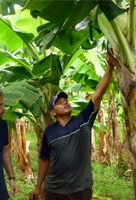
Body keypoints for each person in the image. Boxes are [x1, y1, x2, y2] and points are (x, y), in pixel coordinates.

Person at [29, 56, 115, 200]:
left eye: (66, 100)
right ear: (53, 112)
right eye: (59, 102)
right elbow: (44, 160)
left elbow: (98, 94)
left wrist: (110, 67)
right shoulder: (50, 131)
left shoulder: (83, 120)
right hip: (54, 190)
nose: (65, 103)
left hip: (80, 190)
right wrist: (38, 188)